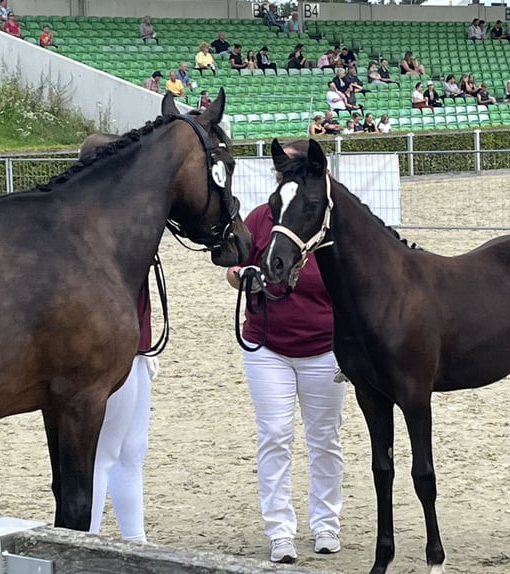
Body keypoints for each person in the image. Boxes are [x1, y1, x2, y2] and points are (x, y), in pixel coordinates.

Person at [226, 139, 346, 564]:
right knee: (275, 437)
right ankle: (280, 530)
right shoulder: (263, 218)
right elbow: (233, 269)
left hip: (323, 348)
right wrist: (244, 277)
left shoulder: (330, 225)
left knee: (324, 439)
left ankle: (326, 522)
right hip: (267, 345)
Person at [90, 285, 158, 545]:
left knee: (133, 450)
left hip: (138, 341)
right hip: (116, 345)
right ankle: (86, 542)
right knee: (103, 454)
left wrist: (146, 347)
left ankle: (136, 540)